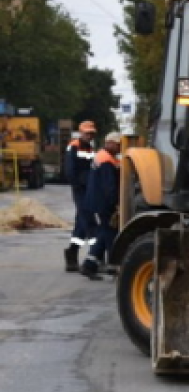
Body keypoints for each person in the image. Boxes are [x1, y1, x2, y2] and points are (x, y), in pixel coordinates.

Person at [79, 133, 122, 281]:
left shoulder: (103, 156)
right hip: (103, 203)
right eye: (117, 144)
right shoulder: (106, 160)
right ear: (109, 143)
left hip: (98, 202)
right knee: (110, 233)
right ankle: (113, 265)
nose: (119, 147)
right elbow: (109, 186)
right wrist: (116, 204)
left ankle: (89, 265)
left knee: (105, 233)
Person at [62, 120, 97, 272]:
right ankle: (95, 257)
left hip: (88, 189)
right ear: (81, 132)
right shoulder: (74, 146)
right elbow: (70, 170)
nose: (90, 135)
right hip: (81, 190)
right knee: (89, 222)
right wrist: (78, 185)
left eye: (91, 133)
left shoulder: (90, 148)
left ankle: (72, 253)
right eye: (87, 133)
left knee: (81, 224)